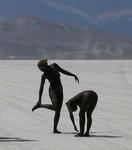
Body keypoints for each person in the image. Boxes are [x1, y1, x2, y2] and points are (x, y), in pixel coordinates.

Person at [32, 59, 79, 134]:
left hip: (60, 90)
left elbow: (63, 71)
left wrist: (73, 75)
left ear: (44, 66)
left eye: (40, 68)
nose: (40, 70)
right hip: (52, 91)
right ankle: (41, 105)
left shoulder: (54, 66)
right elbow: (41, 88)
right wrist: (39, 99)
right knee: (55, 107)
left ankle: (55, 129)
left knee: (58, 111)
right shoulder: (44, 75)